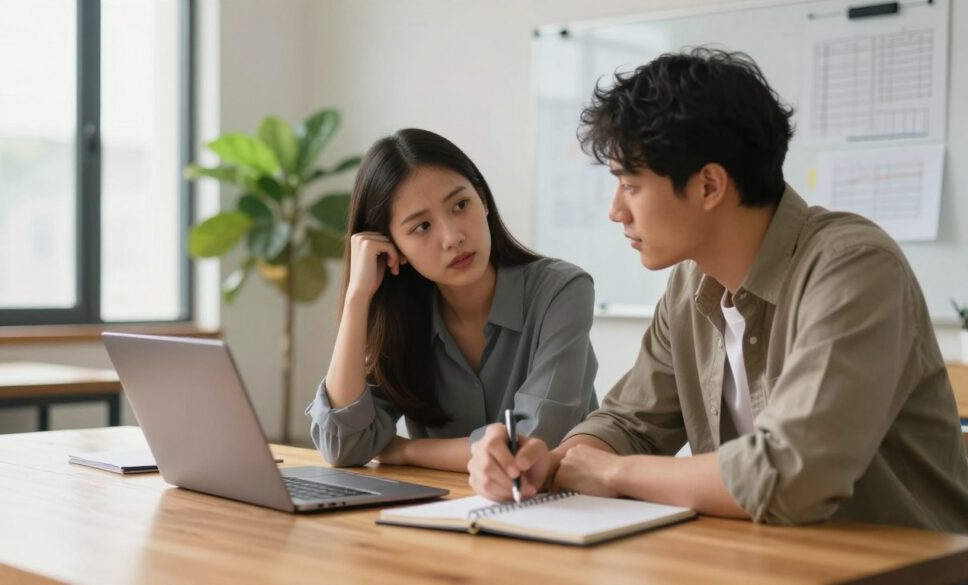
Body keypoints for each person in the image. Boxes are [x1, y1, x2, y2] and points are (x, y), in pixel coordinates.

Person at [468, 48, 968, 532]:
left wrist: (614, 473)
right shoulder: (689, 284)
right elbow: (630, 424)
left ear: (709, 186)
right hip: (768, 561)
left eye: (631, 185)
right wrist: (548, 463)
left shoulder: (853, 268)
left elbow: (793, 475)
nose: (616, 210)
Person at [306, 128, 599, 471]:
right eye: (422, 227)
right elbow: (343, 446)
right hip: (446, 511)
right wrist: (358, 297)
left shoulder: (562, 291)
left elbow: (531, 442)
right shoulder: (403, 323)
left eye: (460, 205)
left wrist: (405, 451)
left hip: (569, 508)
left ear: (483, 199)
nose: (453, 237)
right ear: (392, 247)